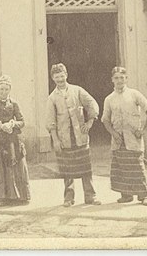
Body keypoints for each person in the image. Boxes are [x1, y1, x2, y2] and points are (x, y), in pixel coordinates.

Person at [46, 63, 101, 207]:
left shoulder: (77, 90)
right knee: (67, 169)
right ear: (53, 78)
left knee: (85, 167)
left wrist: (89, 122)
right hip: (64, 138)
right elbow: (51, 121)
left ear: (66, 75)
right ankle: (68, 198)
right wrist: (55, 140)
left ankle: (91, 196)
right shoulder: (52, 98)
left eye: (62, 76)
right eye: (57, 77)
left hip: (80, 136)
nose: (60, 79)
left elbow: (92, 104)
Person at [102, 66, 147, 206]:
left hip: (133, 139)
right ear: (112, 80)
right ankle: (126, 195)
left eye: (122, 77)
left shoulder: (134, 94)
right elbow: (105, 120)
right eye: (116, 78)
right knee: (121, 167)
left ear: (126, 79)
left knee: (137, 166)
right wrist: (113, 133)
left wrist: (143, 130)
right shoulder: (109, 99)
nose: (119, 80)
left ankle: (144, 196)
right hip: (118, 140)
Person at [0, 75, 30, 205]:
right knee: (0, 167)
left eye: (6, 89)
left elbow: (22, 121)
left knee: (16, 166)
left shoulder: (14, 104)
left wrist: (12, 124)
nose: (4, 92)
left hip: (12, 140)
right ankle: (2, 197)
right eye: (1, 89)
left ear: (10, 90)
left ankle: (20, 196)